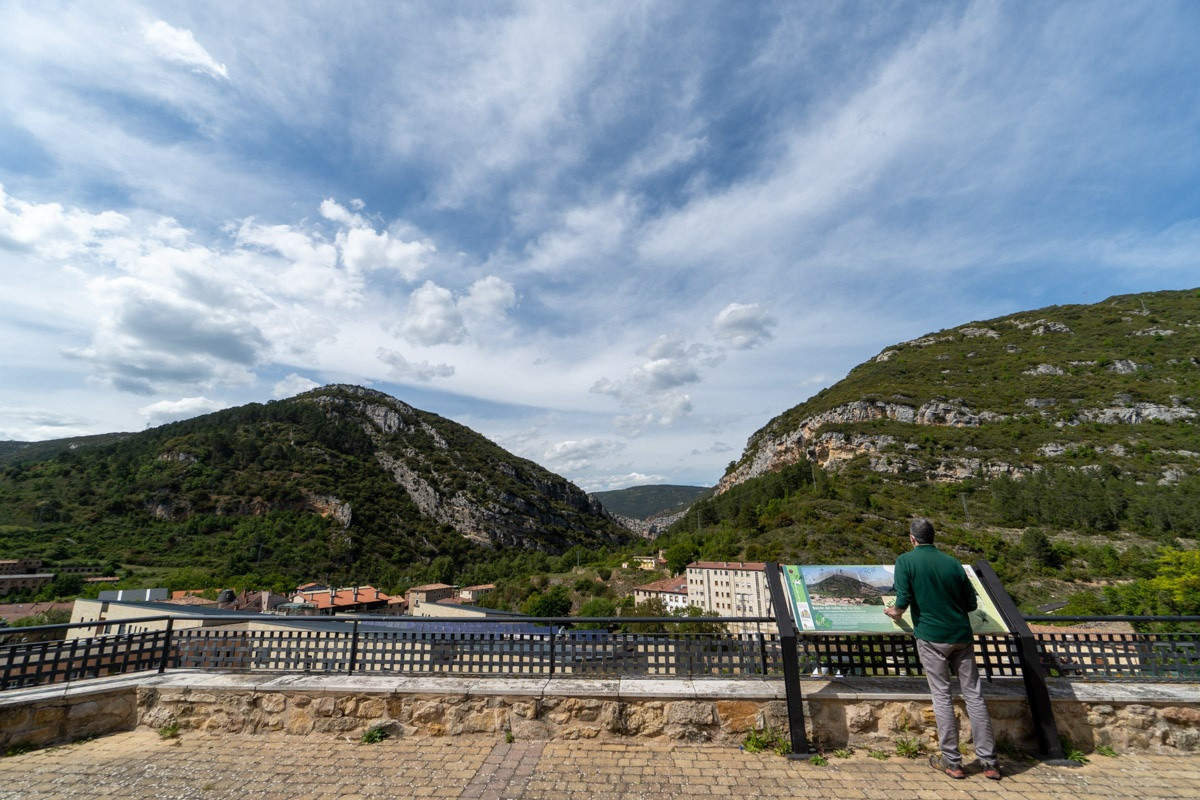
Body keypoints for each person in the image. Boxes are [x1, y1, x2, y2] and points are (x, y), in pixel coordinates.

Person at [884, 518, 1000, 781]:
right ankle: (989, 762)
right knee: (975, 696)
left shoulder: (905, 561)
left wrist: (895, 611)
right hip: (961, 636)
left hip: (932, 636)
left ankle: (952, 761)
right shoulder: (952, 563)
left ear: (912, 538)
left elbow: (902, 599)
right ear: (932, 537)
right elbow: (971, 603)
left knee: (942, 696)